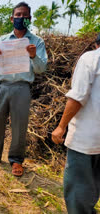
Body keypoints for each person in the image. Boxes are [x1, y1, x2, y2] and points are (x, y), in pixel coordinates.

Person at [0, 2, 48, 177]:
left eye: (25, 15)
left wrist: (33, 56)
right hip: (2, 86)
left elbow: (41, 69)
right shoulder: (2, 40)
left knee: (19, 125)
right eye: (18, 15)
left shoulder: (37, 42)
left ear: (29, 19)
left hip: (22, 88)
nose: (21, 18)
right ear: (12, 18)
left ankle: (16, 160)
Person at [51, 34, 100, 214]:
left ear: (96, 44)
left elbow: (79, 96)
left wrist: (61, 126)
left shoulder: (91, 58)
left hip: (85, 140)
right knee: (94, 185)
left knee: (77, 193)